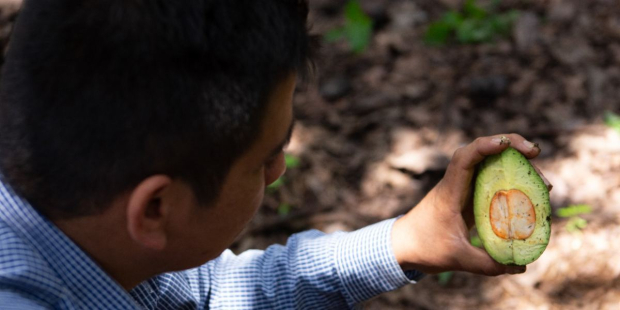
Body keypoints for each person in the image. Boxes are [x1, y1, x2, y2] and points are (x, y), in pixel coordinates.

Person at [0, 0, 544, 309]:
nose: (279, 170)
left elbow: (214, 295)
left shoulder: (92, 227)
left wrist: (404, 242)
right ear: (155, 209)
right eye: (265, 159)